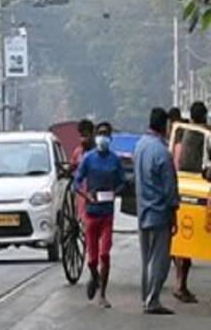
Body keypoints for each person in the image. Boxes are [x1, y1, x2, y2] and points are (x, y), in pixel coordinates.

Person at [70, 119, 124, 306]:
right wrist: (86, 195)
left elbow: (123, 181)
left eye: (106, 134)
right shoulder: (88, 158)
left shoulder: (115, 160)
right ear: (96, 135)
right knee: (92, 260)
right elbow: (76, 182)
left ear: (110, 138)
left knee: (104, 254)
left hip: (107, 214)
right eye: (100, 133)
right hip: (91, 212)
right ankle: (95, 276)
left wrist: (116, 191)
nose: (103, 137)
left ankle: (102, 294)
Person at [135, 106, 178, 314]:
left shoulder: (140, 146)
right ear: (164, 125)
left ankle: (147, 296)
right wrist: (173, 212)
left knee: (147, 259)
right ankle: (152, 299)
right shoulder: (162, 152)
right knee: (159, 260)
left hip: (143, 210)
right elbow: (170, 188)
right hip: (159, 213)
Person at [172, 107, 199, 303]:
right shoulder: (197, 135)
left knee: (185, 243)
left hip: (184, 188)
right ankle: (180, 285)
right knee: (186, 244)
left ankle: (181, 284)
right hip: (192, 191)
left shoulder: (188, 134)